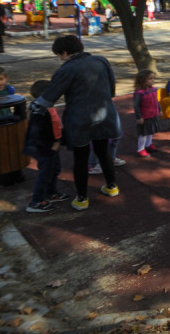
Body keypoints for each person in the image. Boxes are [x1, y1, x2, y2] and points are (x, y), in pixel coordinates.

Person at [34, 34, 121, 212]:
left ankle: (82, 199)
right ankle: (111, 186)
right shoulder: (101, 61)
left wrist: (35, 107)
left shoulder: (67, 69)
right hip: (104, 114)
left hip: (80, 119)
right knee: (103, 152)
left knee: (81, 158)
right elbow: (111, 88)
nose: (60, 58)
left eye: (60, 54)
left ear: (65, 52)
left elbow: (50, 96)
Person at [23, 80, 69, 213]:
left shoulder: (47, 106)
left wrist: (60, 140)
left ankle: (51, 193)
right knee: (46, 173)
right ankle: (36, 201)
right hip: (44, 147)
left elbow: (55, 125)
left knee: (55, 169)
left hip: (51, 145)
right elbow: (38, 133)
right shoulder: (40, 111)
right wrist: (51, 144)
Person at [132, 69, 161, 158]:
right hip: (145, 116)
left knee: (150, 131)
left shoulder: (153, 90)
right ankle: (140, 149)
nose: (153, 80)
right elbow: (136, 106)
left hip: (153, 115)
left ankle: (148, 145)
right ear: (142, 80)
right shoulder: (139, 93)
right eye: (150, 79)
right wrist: (139, 117)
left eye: (153, 78)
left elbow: (157, 101)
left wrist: (160, 110)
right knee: (143, 133)